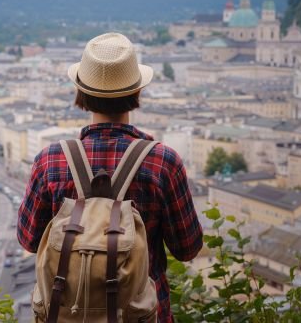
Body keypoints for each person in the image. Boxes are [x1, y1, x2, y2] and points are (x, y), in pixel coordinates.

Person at [17, 32, 203, 322]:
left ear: (81, 94)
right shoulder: (163, 162)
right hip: (140, 315)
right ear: (136, 92)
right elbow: (187, 248)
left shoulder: (50, 161)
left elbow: (28, 240)